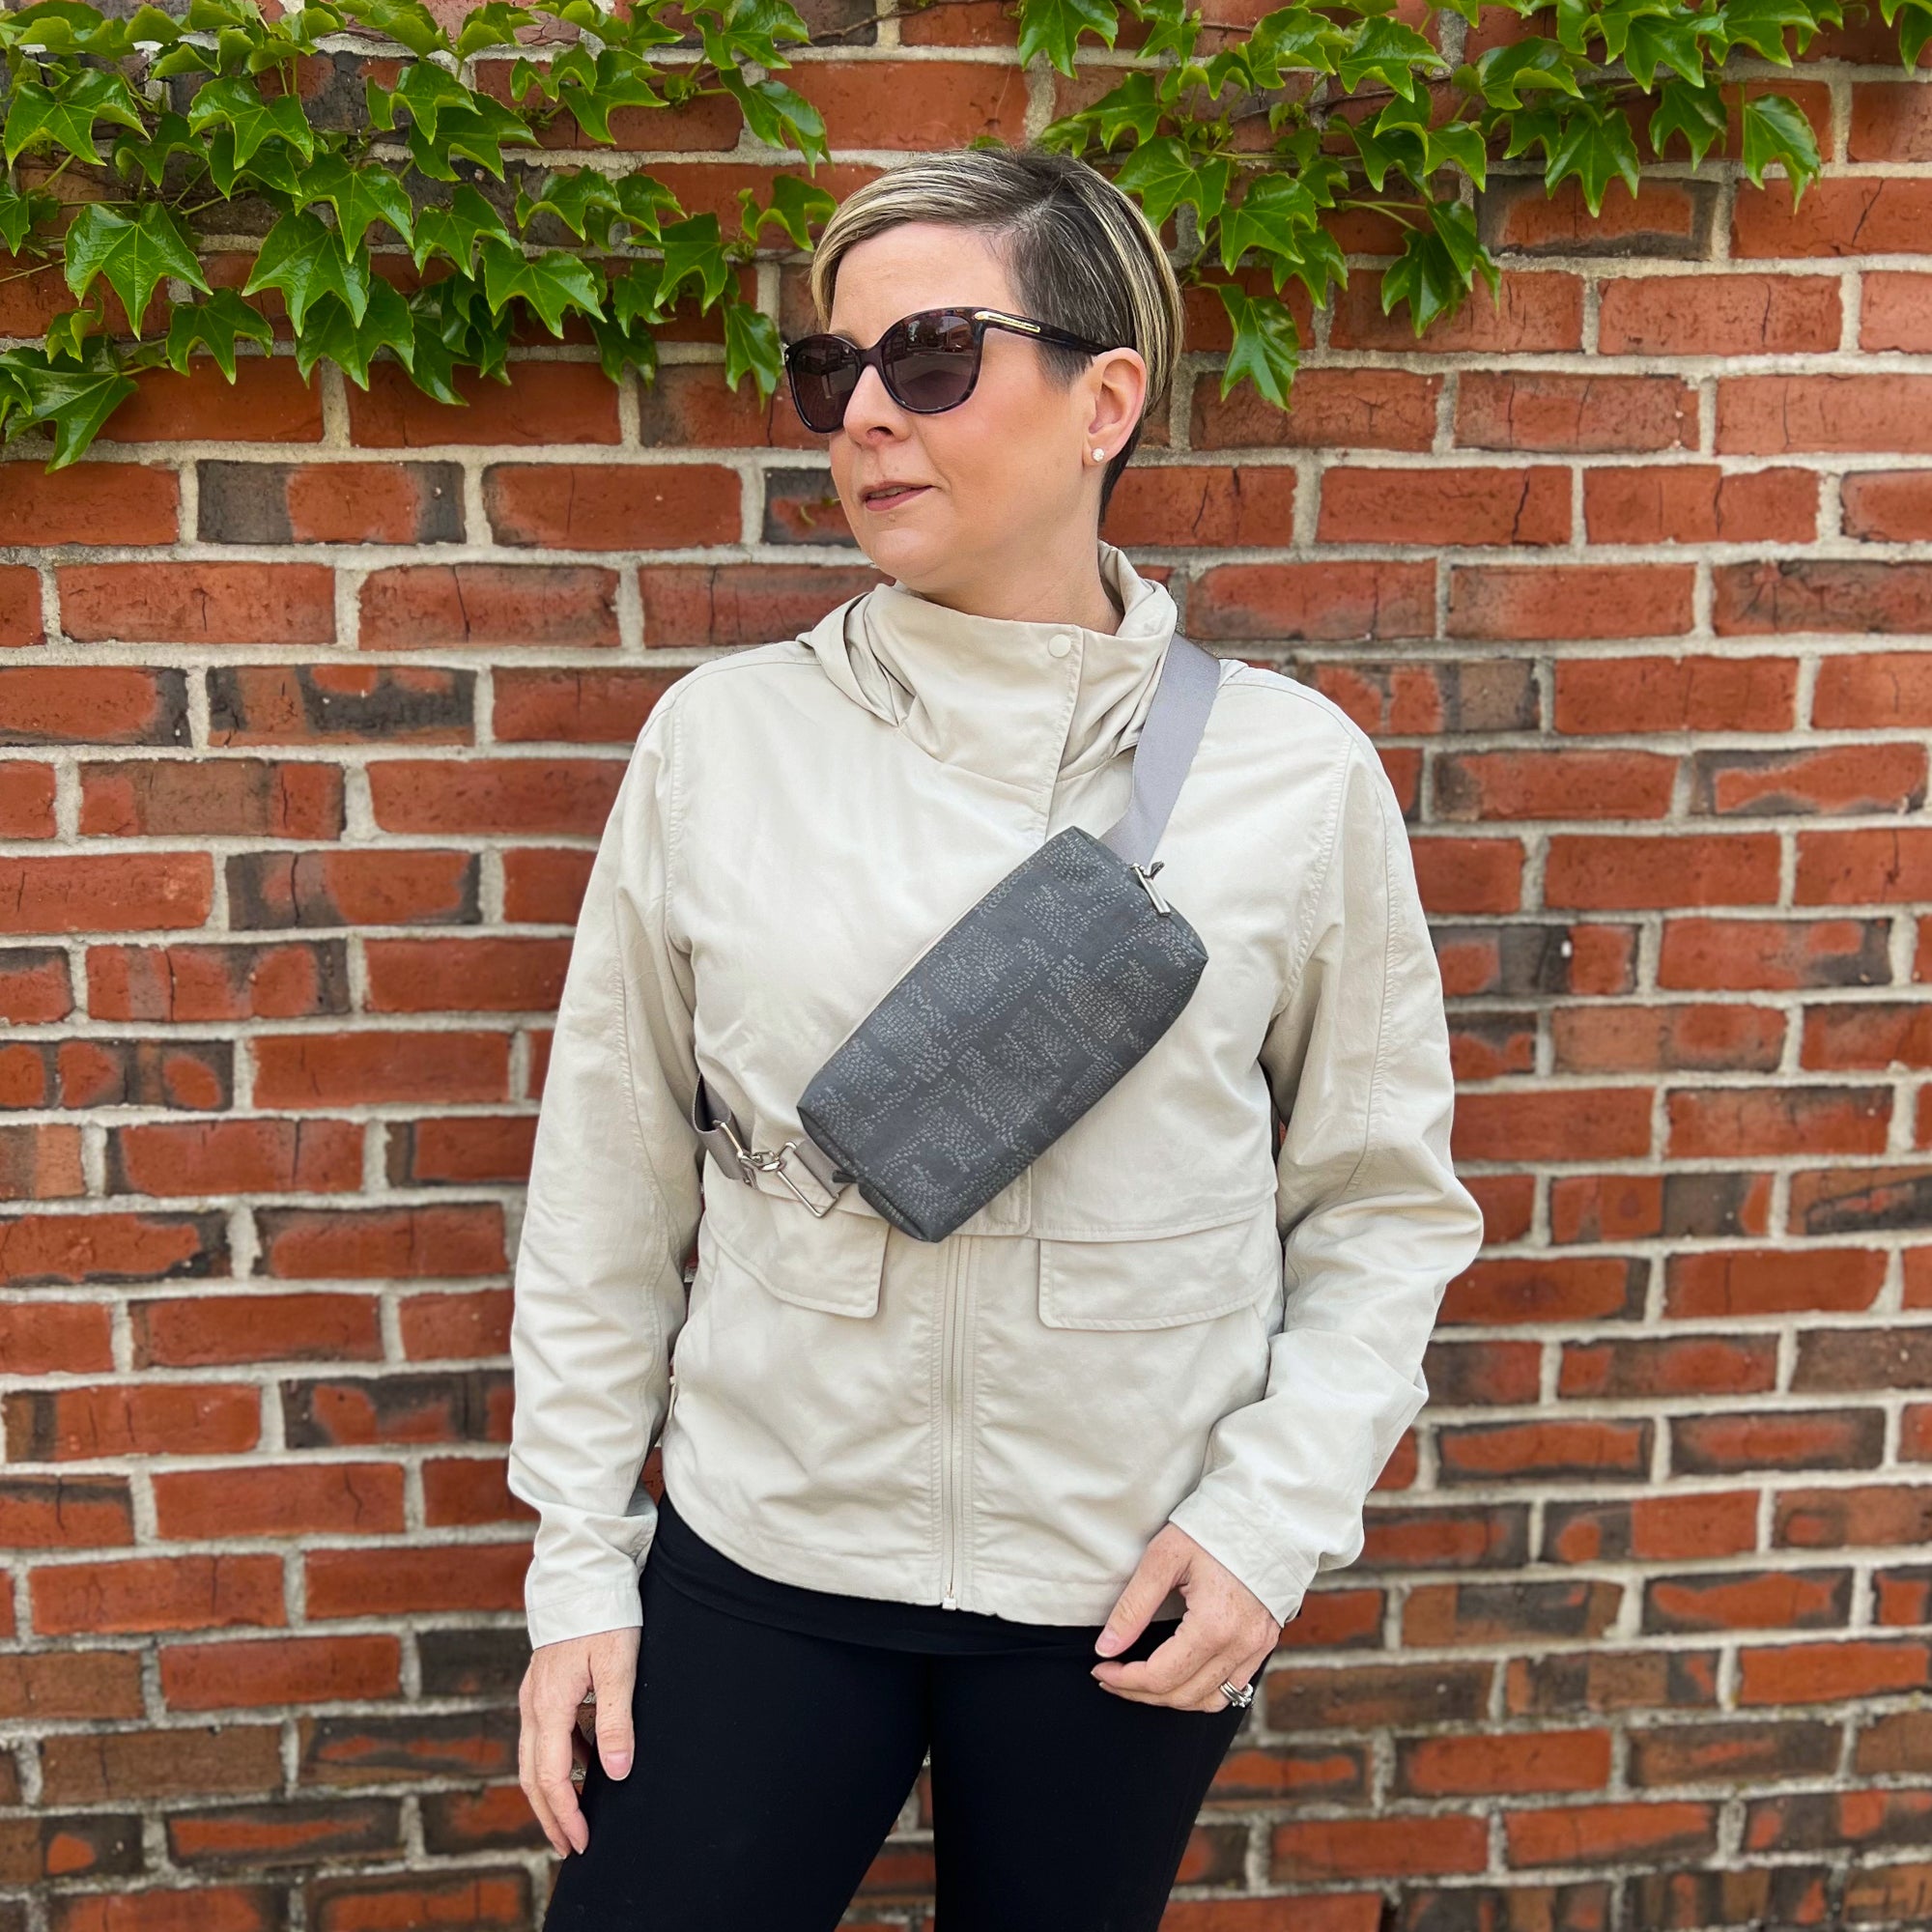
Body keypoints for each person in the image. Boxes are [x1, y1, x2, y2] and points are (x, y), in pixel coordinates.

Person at [509, 143, 1486, 1931]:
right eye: (833, 369)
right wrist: (580, 1563)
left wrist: (1268, 1525)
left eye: (934, 355)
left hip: (1119, 1588)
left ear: (1106, 399)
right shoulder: (722, 744)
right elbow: (607, 1183)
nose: (867, 414)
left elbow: (1378, 1206)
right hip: (770, 1546)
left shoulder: (1292, 776)